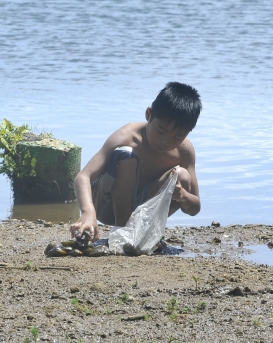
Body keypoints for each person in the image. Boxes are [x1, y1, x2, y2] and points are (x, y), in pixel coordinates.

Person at [70, 82, 202, 241]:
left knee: (182, 176)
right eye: (160, 131)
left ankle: (140, 233)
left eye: (177, 137)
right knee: (126, 155)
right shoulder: (127, 136)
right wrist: (87, 211)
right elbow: (84, 176)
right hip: (107, 205)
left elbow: (195, 208)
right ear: (148, 114)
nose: (165, 141)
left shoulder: (184, 150)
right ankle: (122, 230)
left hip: (144, 213)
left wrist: (183, 196)